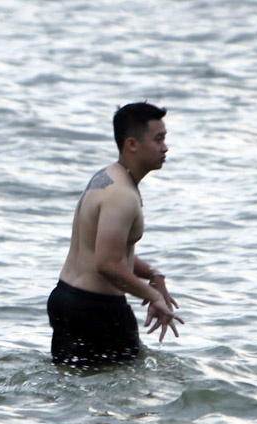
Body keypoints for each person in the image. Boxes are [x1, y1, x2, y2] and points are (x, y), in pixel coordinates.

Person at [47, 102, 183, 369]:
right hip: (97, 310)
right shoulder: (122, 195)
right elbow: (107, 263)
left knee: (73, 391)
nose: (165, 148)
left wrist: (153, 275)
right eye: (158, 139)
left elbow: (107, 250)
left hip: (65, 299)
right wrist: (153, 296)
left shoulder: (107, 177)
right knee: (131, 398)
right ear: (132, 144)